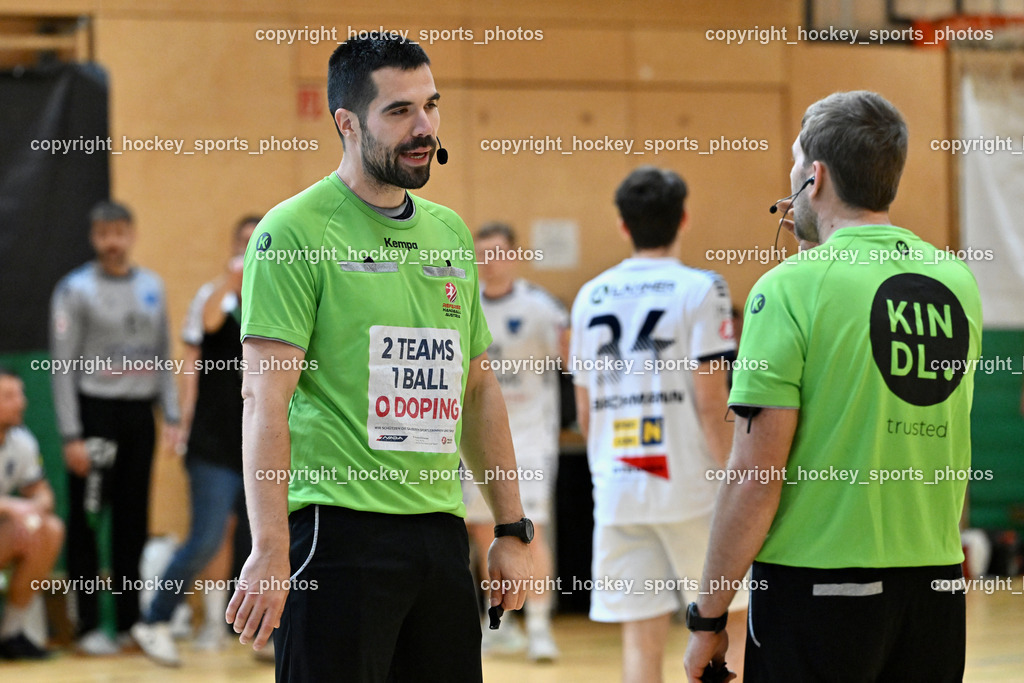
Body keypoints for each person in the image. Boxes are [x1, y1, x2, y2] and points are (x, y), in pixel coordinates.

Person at [225, 35, 532, 683]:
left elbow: (476, 389)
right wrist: (270, 545)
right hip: (335, 536)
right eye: (399, 111)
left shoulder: (449, 232)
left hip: (440, 535)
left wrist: (511, 526)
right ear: (347, 122)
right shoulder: (294, 233)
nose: (424, 127)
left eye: (431, 105)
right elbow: (264, 398)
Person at [683, 91, 983, 683]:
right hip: (935, 588)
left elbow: (754, 475)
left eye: (795, 165)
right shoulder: (957, 281)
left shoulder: (790, 288)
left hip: (816, 590)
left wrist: (708, 615)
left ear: (814, 178)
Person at [570, 166, 747, 683]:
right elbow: (711, 402)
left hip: (619, 487)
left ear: (623, 225)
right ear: (684, 219)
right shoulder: (703, 288)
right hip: (694, 487)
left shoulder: (589, 296)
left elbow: (584, 413)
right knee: (725, 627)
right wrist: (739, 484)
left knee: (640, 643)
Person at [50, 200, 180, 655]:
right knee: (89, 522)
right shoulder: (74, 289)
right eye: (104, 233)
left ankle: (128, 623)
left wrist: (173, 417)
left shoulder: (152, 287)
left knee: (133, 522)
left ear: (131, 234)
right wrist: (71, 434)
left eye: (120, 232)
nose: (112, 241)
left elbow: (164, 355)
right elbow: (62, 367)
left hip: (138, 416)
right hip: (94, 414)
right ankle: (87, 626)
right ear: (94, 237)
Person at [131, 215, 259, 666]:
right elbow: (199, 340)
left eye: (258, 242)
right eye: (243, 242)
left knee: (265, 538)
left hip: (264, 443)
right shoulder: (215, 296)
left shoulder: (283, 296)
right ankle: (156, 618)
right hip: (212, 442)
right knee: (206, 536)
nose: (250, 249)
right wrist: (179, 422)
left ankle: (257, 631)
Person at [463, 222, 568, 662]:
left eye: (497, 252)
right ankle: (498, 624)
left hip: (528, 438)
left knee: (529, 532)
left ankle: (540, 627)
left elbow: (571, 361)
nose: (489, 261)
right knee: (484, 534)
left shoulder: (541, 308)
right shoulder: (463, 304)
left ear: (514, 255)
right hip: (475, 442)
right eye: (481, 253)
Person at [0, 368, 64, 660]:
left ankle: (10, 634)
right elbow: (14, 506)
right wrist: (13, 508)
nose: (21, 402)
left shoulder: (21, 441)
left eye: (21, 394)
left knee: (48, 530)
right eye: (9, 396)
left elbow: (43, 493)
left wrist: (32, 513)